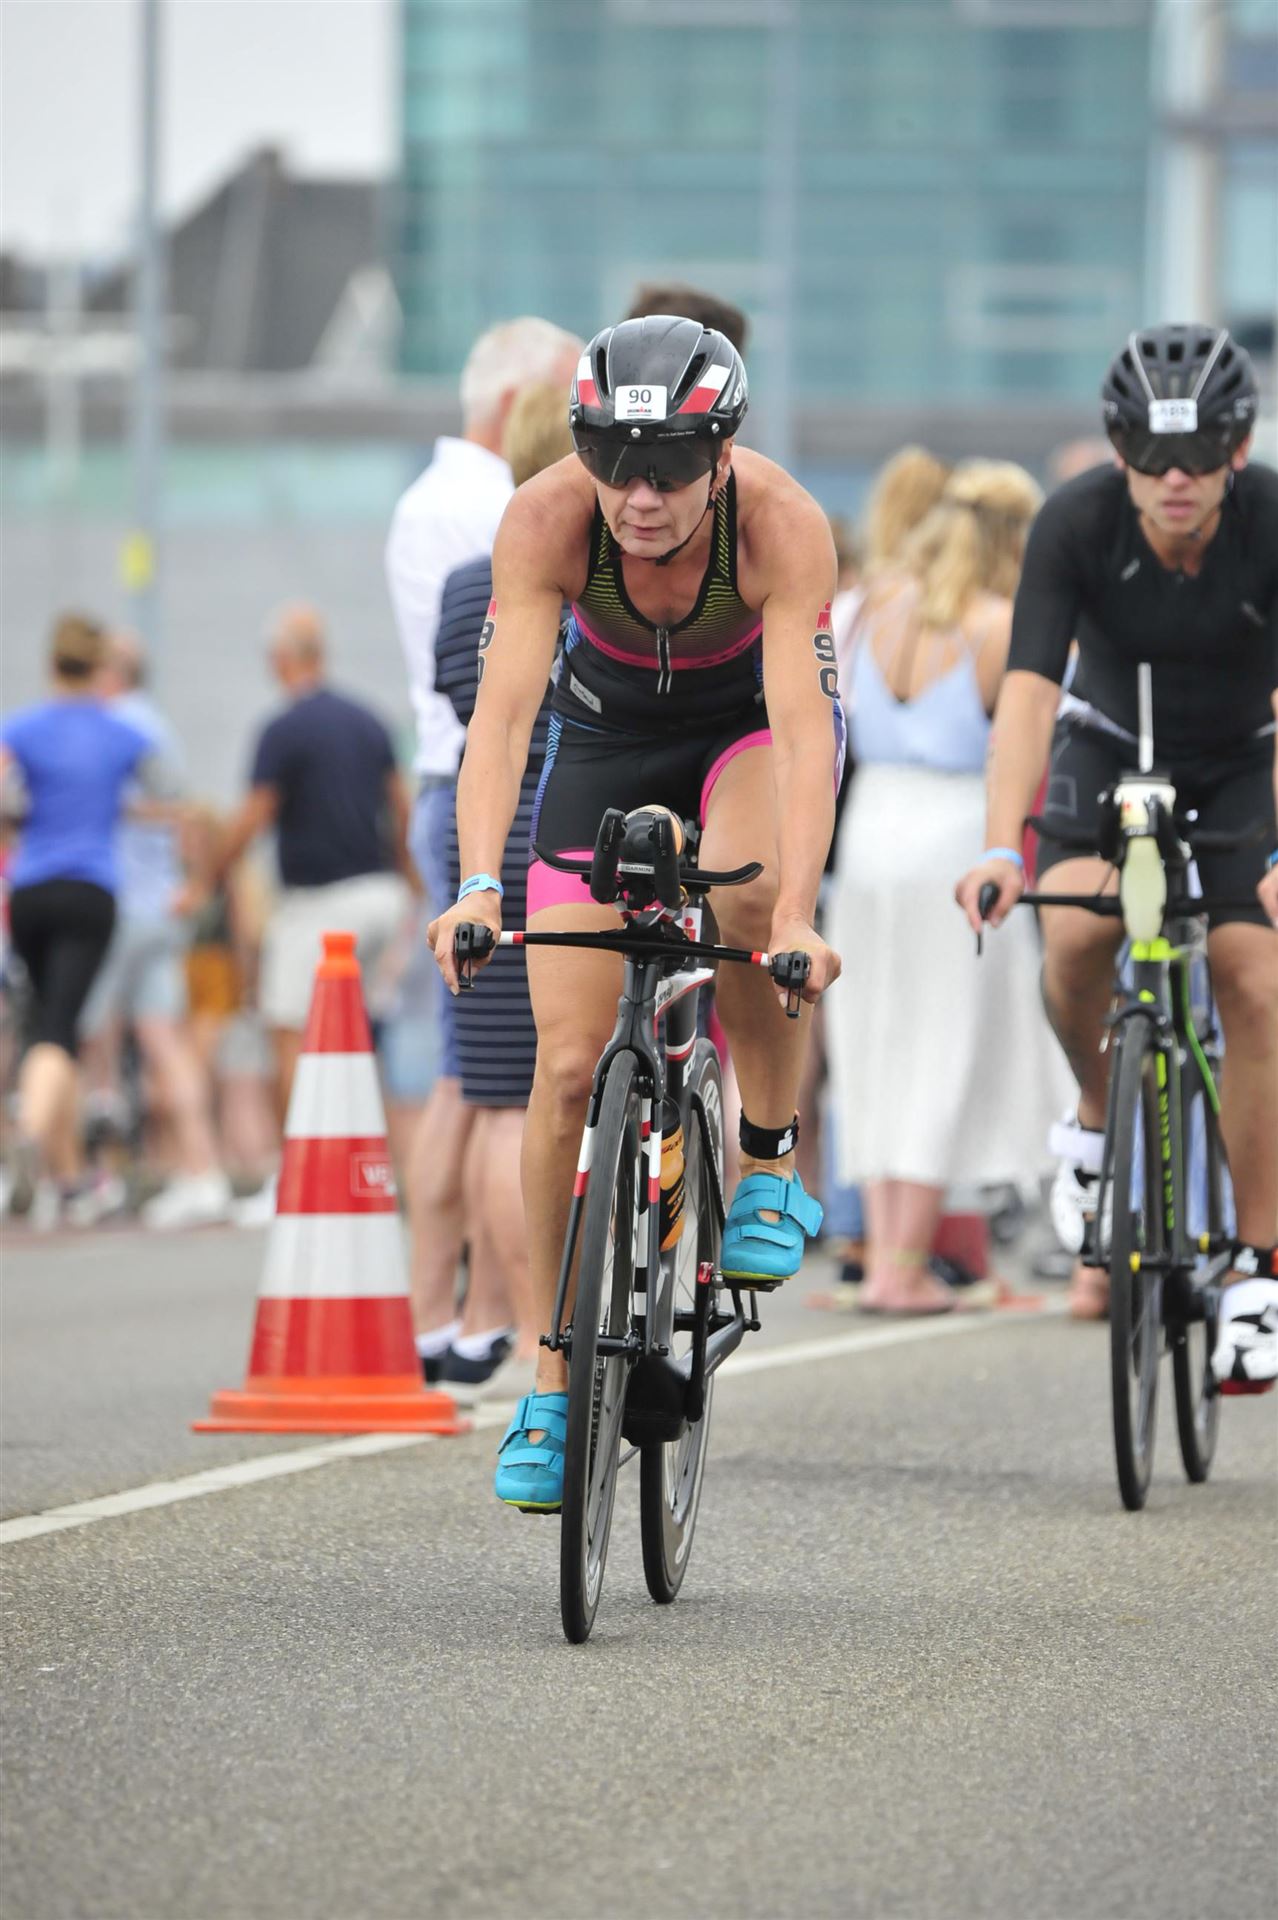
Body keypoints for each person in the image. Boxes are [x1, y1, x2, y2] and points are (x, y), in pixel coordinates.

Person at [428, 314, 845, 1511]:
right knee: (566, 1068)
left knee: (749, 898)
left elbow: (805, 731)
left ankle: (767, 1159)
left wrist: (800, 914)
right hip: (606, 741)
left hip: (744, 734)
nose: (640, 496)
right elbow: (502, 721)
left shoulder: (781, 524)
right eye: (614, 463)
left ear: (722, 457)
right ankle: (553, 1381)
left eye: (667, 469)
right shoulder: (546, 518)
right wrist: (476, 884)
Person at [956, 324, 1278, 1389]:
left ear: (1238, 450)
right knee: (1076, 935)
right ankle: (1097, 1121)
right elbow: (1027, 695)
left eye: (1199, 454)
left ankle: (1257, 1265)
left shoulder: (1270, 520)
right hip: (1109, 751)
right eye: (1150, 453)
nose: (1174, 477)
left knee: (1255, 980)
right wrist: (1000, 845)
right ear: (1118, 450)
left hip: (1242, 762)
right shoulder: (1076, 520)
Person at [385, 317, 583, 1366]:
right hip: (525, 814)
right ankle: (505, 1319)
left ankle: (452, 1315)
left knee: (472, 1084)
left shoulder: (445, 530)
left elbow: (459, 692)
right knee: (514, 1094)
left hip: (468, 799)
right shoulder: (504, 541)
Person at [827, 462, 1070, 1312]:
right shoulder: (999, 625)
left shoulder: (870, 608)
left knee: (874, 1040)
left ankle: (885, 1252)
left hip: (869, 830)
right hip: (956, 831)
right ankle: (902, 1263)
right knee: (944, 1040)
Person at [427, 381, 577, 1394]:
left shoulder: (464, 582)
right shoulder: (592, 577)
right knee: (546, 1086)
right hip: (562, 817)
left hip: (478, 815)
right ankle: (532, 1326)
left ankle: (502, 1318)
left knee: (490, 1097)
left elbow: (461, 698)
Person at [216, 604, 415, 1160]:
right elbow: (401, 810)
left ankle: (301, 1173)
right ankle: (372, 1170)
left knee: (291, 1032)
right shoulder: (370, 721)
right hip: (383, 899)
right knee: (363, 1041)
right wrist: (413, 886)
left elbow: (256, 813)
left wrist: (209, 872)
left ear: (280, 660)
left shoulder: (283, 729)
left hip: (321, 907)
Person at [0, 615, 165, 1225]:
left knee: (50, 1022)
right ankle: (28, 1132)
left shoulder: (22, 727)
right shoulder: (122, 732)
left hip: (29, 889)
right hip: (90, 889)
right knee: (58, 1025)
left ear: (52, 663)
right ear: (99, 667)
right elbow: (168, 797)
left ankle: (65, 1177)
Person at [79, 633, 232, 1229]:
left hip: (118, 905)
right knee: (164, 1043)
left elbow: (164, 810)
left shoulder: (113, 728)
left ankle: (104, 1178)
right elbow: (186, 809)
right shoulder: (157, 728)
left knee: (97, 1041)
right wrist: (193, 884)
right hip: (158, 907)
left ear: (109, 673)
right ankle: (203, 1171)